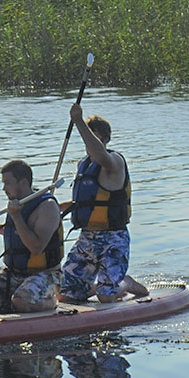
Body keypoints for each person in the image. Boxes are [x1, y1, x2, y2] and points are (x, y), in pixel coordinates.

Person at [58, 104, 149, 303]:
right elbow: (84, 202)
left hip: (113, 238)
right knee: (66, 295)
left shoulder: (114, 162)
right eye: (88, 136)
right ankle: (96, 286)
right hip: (87, 238)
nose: (89, 141)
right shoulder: (84, 165)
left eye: (95, 136)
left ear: (106, 139)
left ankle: (125, 283)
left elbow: (100, 154)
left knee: (105, 297)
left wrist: (79, 121)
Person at [0, 160, 62, 314]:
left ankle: (51, 302)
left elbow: (36, 248)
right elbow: (15, 234)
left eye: (8, 183)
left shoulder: (47, 206)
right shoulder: (17, 204)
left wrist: (16, 217)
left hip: (46, 273)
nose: (4, 189)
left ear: (23, 182)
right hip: (13, 272)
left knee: (21, 302)